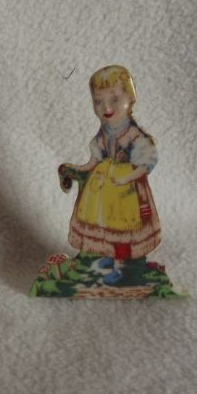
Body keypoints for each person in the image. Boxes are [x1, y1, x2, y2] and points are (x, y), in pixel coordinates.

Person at [61, 65, 161, 285]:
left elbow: (147, 161)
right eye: (98, 101)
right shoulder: (104, 132)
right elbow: (95, 159)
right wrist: (81, 169)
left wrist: (128, 178)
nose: (106, 107)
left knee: (123, 226)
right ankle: (109, 256)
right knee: (102, 221)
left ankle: (124, 266)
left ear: (130, 98)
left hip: (126, 190)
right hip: (103, 187)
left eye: (114, 99)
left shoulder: (134, 135)